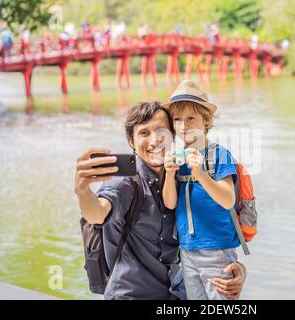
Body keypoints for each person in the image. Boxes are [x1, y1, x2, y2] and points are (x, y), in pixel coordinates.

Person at [75, 101, 246, 300]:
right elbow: (98, 213)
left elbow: (211, 222)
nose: (155, 141)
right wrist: (82, 191)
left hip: (177, 292)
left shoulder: (183, 173)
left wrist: (234, 268)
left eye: (161, 131)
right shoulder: (125, 183)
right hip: (132, 295)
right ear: (131, 141)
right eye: (144, 133)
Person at [162, 80, 240, 300]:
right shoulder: (178, 157)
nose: (183, 126)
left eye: (191, 119)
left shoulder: (218, 155)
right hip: (186, 249)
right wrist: (169, 174)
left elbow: (227, 200)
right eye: (177, 119)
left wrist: (201, 174)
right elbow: (170, 203)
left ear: (206, 121)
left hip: (216, 249)